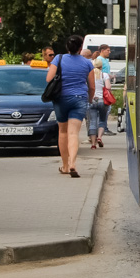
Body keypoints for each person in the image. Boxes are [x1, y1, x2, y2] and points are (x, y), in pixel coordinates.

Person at [46, 35, 95, 178]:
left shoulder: (58, 59)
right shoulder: (87, 63)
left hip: (61, 98)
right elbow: (91, 86)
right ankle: (73, 163)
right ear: (81, 48)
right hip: (79, 99)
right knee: (74, 133)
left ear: (67, 47)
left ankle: (65, 166)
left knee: (63, 132)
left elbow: (49, 79)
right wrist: (89, 100)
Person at [87, 44, 111, 147]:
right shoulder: (104, 75)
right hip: (102, 101)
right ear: (101, 66)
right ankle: (100, 137)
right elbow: (108, 87)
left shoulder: (89, 75)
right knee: (102, 120)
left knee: (92, 121)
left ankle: (93, 144)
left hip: (92, 100)